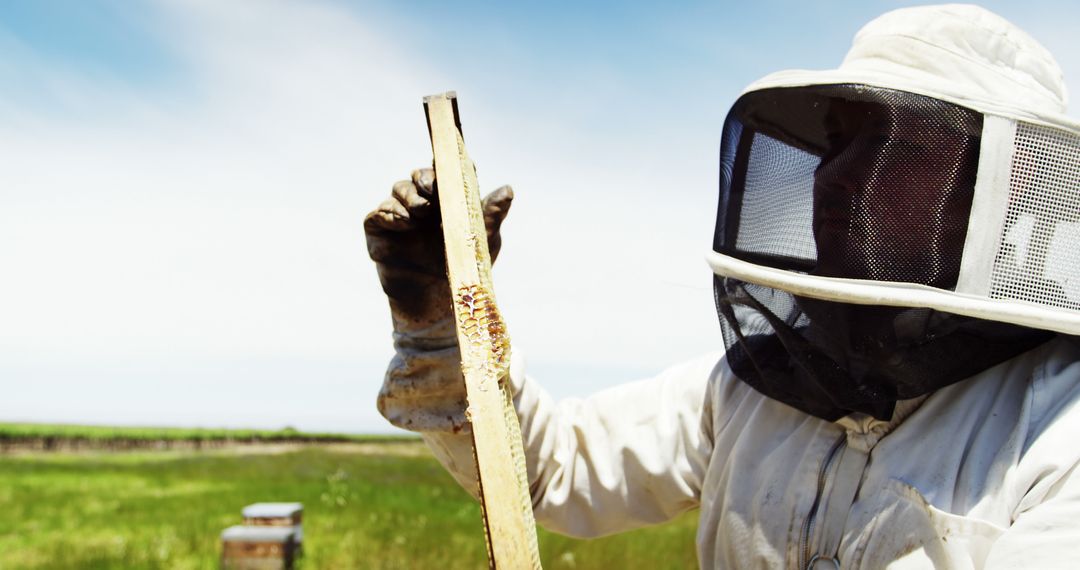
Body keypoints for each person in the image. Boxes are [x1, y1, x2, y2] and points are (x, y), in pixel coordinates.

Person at [365, 4, 1080, 568]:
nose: (836, 177)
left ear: (1002, 189)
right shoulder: (752, 384)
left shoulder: (1060, 430)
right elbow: (554, 472)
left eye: (893, 148)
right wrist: (440, 317)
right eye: (837, 144)